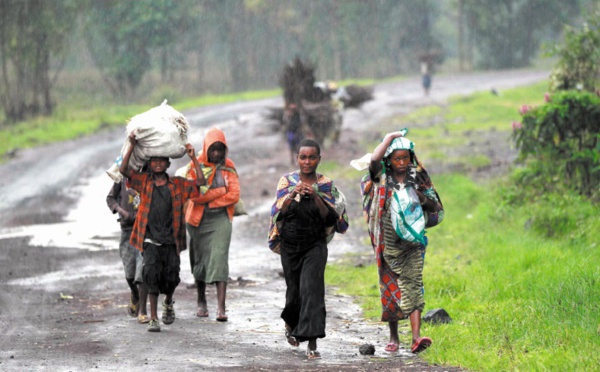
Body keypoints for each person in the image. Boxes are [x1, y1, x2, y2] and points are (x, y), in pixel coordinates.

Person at [358, 130, 443, 354]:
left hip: (413, 241)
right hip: (388, 242)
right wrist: (388, 138)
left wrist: (420, 197)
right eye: (397, 158)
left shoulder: (418, 177)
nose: (402, 163)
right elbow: (375, 160)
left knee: (413, 283)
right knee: (391, 287)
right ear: (390, 159)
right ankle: (394, 336)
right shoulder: (381, 176)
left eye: (406, 158)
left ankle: (416, 338)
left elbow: (435, 207)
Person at [268, 139, 349, 359]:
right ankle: (291, 324)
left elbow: (331, 217)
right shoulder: (286, 181)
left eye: (312, 157)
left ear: (319, 159)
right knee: (294, 292)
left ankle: (312, 343)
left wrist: (314, 195)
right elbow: (278, 214)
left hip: (315, 245)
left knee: (312, 290)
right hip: (290, 246)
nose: (307, 161)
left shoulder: (325, 185)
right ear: (297, 158)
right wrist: (292, 194)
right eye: (303, 157)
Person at [119, 132, 205, 332]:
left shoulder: (177, 184)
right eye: (154, 161)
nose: (157, 164)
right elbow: (124, 170)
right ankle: (154, 318)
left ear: (167, 164)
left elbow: (200, 183)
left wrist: (193, 157)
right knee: (150, 275)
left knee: (172, 277)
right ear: (150, 164)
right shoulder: (144, 182)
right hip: (149, 240)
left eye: (161, 162)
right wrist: (132, 145)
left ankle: (169, 301)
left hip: (171, 241)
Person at [183, 127, 240, 322]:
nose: (216, 154)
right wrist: (219, 192)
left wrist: (211, 201)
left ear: (225, 150)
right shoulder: (196, 166)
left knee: (219, 258)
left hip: (221, 219)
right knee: (199, 261)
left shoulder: (229, 167)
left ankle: (221, 308)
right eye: (213, 149)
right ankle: (201, 300)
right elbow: (194, 197)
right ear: (206, 148)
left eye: (220, 149)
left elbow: (234, 194)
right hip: (198, 220)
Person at [106, 178, 150, 324]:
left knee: (142, 270)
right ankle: (135, 294)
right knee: (130, 273)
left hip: (146, 230)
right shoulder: (122, 177)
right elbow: (110, 198)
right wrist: (123, 212)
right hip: (127, 230)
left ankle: (143, 310)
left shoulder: (150, 175)